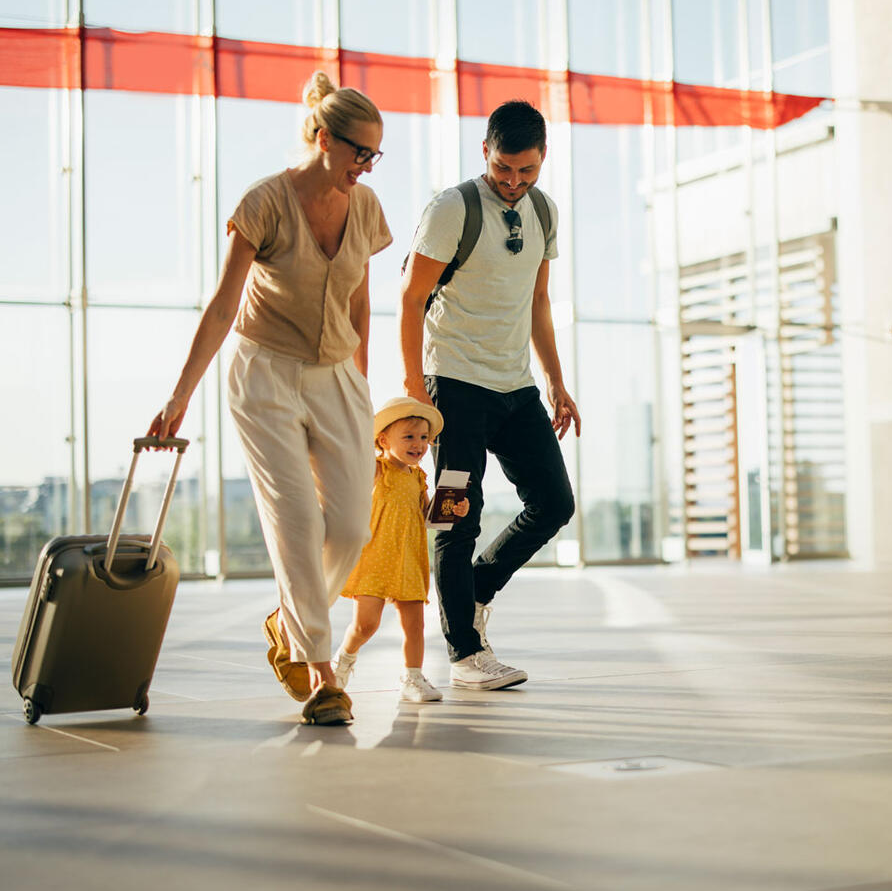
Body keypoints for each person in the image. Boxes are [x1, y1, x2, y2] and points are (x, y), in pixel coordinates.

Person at [147, 70, 391, 726]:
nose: (366, 167)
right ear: (322, 137)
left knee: (350, 526)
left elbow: (361, 302)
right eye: (358, 152)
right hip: (265, 375)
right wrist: (179, 396)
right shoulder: (264, 202)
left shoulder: (365, 209)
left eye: (375, 155)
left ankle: (288, 624)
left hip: (338, 375)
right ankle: (319, 674)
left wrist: (364, 388)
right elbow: (225, 304)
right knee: (297, 523)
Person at [399, 99, 580, 691]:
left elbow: (539, 301)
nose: (513, 181)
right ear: (485, 152)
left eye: (526, 171)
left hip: (515, 383)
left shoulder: (545, 212)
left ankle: (475, 590)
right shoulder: (452, 208)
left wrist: (555, 381)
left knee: (554, 503)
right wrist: (412, 386)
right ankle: (464, 654)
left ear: (543, 160)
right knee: (457, 516)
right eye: (504, 168)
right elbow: (410, 298)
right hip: (453, 382)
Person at [330, 397, 469, 702]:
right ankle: (344, 658)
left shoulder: (418, 476)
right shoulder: (377, 470)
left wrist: (453, 509)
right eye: (408, 437)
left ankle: (413, 677)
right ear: (383, 440)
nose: (418, 444)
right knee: (366, 624)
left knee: (416, 624)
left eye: (423, 438)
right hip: (375, 557)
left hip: (408, 558)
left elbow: (427, 515)